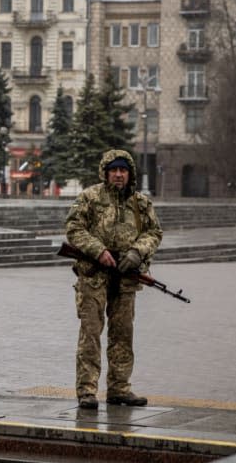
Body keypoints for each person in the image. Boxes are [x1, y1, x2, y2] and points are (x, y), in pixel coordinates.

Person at [65, 149, 163, 410]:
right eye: (114, 170)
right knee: (91, 334)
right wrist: (99, 251)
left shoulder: (140, 203)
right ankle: (87, 390)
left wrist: (136, 252)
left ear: (129, 173)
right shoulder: (90, 197)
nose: (119, 175)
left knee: (122, 335)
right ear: (105, 173)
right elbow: (74, 229)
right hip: (94, 277)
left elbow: (154, 232)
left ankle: (119, 389)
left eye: (123, 170)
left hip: (125, 278)